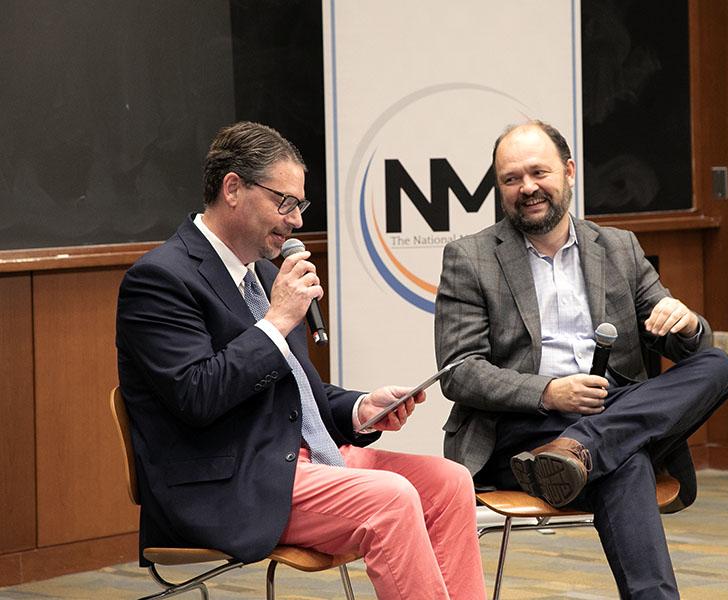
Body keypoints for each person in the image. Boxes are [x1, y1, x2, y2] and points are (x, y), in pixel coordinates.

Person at [116, 121, 485, 600]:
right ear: (233, 188)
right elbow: (197, 396)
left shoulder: (266, 275)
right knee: (391, 500)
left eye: (299, 206)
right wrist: (276, 322)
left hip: (306, 459)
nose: (294, 220)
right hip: (231, 483)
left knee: (449, 481)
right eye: (284, 202)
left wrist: (362, 409)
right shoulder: (160, 279)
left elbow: (297, 393)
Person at [434, 120, 728, 599]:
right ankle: (584, 449)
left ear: (569, 172)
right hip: (523, 430)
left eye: (539, 173)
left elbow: (681, 346)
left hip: (613, 409)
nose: (527, 188)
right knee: (627, 460)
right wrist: (549, 393)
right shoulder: (470, 258)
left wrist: (684, 324)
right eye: (512, 179)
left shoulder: (618, 247)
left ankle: (582, 448)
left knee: (717, 364)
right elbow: (459, 371)